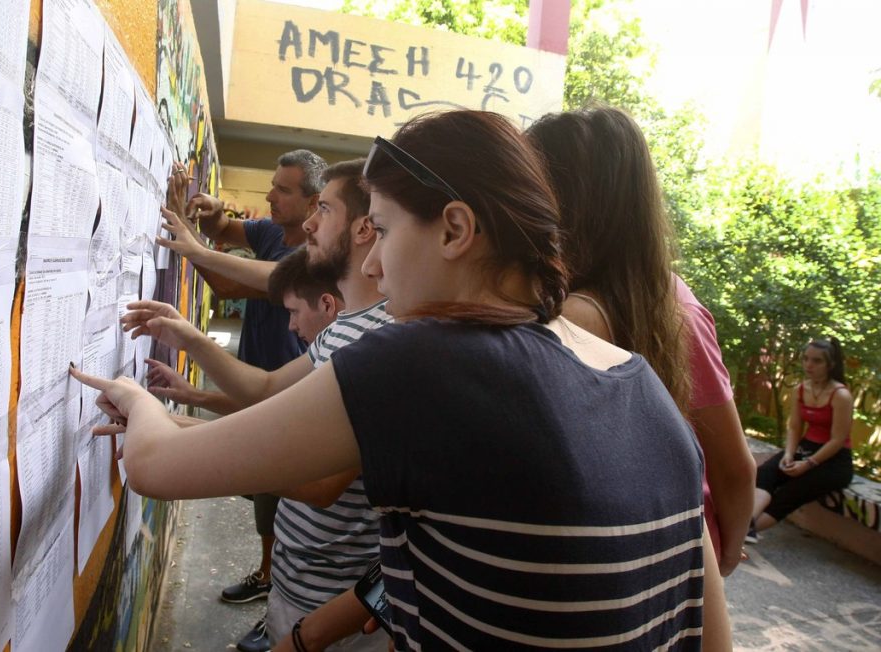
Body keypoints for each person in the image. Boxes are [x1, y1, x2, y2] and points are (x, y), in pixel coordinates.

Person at [74, 110, 727, 650]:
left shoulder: (425, 363)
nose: (377, 266)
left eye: (382, 231)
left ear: (455, 229)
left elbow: (158, 468)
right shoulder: (645, 386)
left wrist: (135, 397)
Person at [128, 159, 391, 651]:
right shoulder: (352, 324)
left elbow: (318, 484)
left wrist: (164, 424)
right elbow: (270, 388)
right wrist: (188, 340)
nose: (309, 222)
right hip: (301, 580)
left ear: (362, 229)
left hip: (333, 605)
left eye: (325, 209)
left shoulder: (378, 337)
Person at [524, 106, 757, 577]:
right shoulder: (674, 299)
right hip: (677, 555)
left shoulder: (567, 319)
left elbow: (732, 466)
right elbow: (735, 468)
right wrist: (718, 559)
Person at [165, 150, 325, 612]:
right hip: (258, 380)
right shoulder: (273, 231)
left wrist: (186, 233)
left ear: (313, 203)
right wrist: (210, 211)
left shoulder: (306, 260)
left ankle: (277, 583)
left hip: (282, 382)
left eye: (283, 189)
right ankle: (269, 574)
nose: (270, 195)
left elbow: (230, 285)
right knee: (268, 497)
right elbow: (225, 231)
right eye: (272, 184)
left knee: (281, 493)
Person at [143, 246, 344, 413]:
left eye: (294, 311)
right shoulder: (331, 342)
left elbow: (269, 405)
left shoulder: (347, 359)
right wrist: (194, 396)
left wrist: (190, 341)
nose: (291, 325)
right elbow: (268, 394)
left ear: (327, 305)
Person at [748, 337, 854, 540]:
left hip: (834, 460)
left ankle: (743, 532)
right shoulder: (801, 389)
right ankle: (746, 525)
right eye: (806, 359)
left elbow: (837, 440)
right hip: (805, 448)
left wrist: (808, 464)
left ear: (830, 365)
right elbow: (795, 427)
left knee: (790, 492)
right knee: (766, 473)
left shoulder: (841, 395)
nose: (809, 365)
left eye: (816, 361)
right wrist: (788, 454)